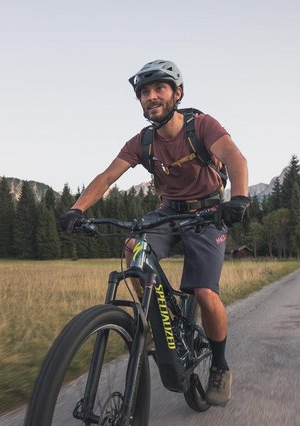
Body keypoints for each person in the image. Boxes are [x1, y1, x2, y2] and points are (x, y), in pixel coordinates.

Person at [58, 60, 250, 406]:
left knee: (205, 292)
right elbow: (107, 178)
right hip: (167, 213)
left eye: (159, 89)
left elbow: (235, 157)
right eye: (144, 92)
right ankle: (156, 322)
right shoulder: (143, 141)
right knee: (134, 248)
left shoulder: (201, 126)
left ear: (177, 93)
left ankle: (220, 364)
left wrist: (238, 198)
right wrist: (78, 209)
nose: (151, 97)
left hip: (207, 213)